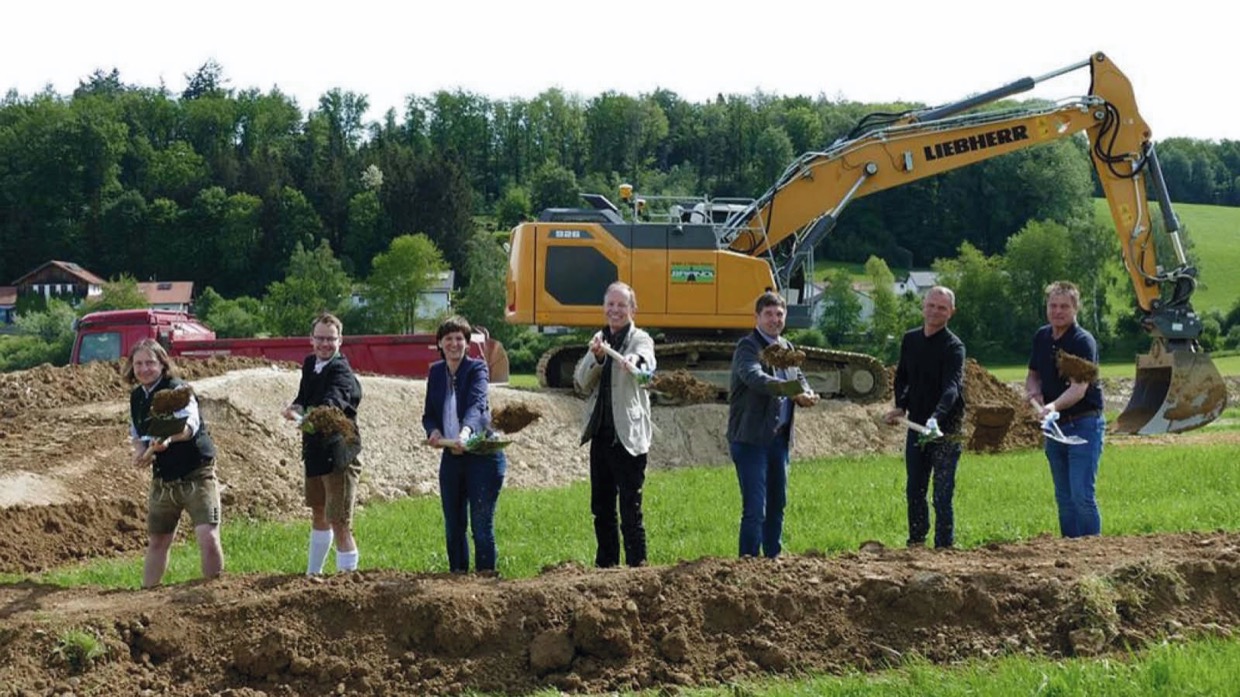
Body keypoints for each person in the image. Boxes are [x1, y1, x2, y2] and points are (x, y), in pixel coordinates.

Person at [727, 291, 819, 558]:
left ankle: (772, 558)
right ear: (757, 317)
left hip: (779, 441)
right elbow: (755, 377)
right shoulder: (748, 347)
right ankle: (748, 562)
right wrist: (792, 390)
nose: (774, 319)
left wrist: (808, 393)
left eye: (779, 314)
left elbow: (799, 378)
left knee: (777, 504)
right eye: (768, 314)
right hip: (751, 440)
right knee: (756, 508)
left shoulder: (788, 348)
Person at [126, 339, 223, 588]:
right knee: (158, 540)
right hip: (163, 478)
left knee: (207, 536)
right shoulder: (137, 397)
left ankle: (213, 592)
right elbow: (137, 434)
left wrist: (168, 438)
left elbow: (190, 427)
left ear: (162, 364)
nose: (144, 368)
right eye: (138, 363)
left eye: (150, 362)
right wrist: (140, 452)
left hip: (196, 473)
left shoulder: (178, 391)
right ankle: (147, 594)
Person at [574, 282, 656, 568]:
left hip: (629, 438)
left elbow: (646, 363)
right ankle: (606, 566)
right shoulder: (599, 340)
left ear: (633, 309)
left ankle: (637, 568)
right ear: (604, 308)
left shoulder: (641, 339)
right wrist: (596, 358)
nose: (615, 310)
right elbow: (581, 383)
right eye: (611, 304)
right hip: (601, 436)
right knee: (602, 508)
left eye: (622, 305)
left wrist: (634, 361)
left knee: (630, 508)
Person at [422, 315, 507, 574]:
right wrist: (434, 431)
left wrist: (467, 433)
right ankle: (457, 583)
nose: (454, 343)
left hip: (482, 456)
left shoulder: (477, 369)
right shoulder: (436, 372)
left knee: (481, 527)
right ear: (439, 343)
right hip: (452, 456)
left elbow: (477, 406)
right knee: (454, 526)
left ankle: (485, 583)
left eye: (459, 338)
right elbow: (429, 414)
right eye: (448, 339)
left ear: (467, 344)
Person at [884, 286, 966, 549]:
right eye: (931, 305)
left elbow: (952, 387)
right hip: (917, 427)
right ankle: (916, 543)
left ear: (951, 312)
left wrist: (936, 417)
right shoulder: (910, 340)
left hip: (946, 429)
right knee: (915, 489)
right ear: (923, 306)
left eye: (942, 307)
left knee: (942, 494)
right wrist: (901, 406)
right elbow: (903, 378)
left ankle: (944, 546)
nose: (935, 311)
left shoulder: (954, 347)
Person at [281, 313, 364, 574]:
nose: (325, 344)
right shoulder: (310, 364)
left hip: (339, 454)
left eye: (331, 339)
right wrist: (294, 408)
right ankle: (312, 575)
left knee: (339, 521)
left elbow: (333, 404)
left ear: (340, 340)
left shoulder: (341, 370)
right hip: (315, 450)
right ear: (311, 339)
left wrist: (304, 417)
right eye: (320, 338)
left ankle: (345, 583)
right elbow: (304, 397)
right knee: (318, 513)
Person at [1025, 281, 1105, 538]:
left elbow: (1079, 388)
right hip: (1055, 427)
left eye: (1064, 306)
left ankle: (1091, 551)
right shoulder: (1041, 337)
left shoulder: (1082, 342)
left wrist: (1052, 406)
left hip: (1083, 423)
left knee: (1081, 495)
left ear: (1075, 309)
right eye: (1053, 305)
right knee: (1064, 497)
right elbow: (1033, 374)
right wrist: (1034, 392)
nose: (1057, 311)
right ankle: (1069, 552)